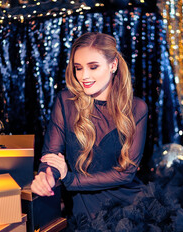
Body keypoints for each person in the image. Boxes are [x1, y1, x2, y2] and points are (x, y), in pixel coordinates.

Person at [31, 32, 148, 220]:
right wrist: (46, 176)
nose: (84, 76)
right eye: (78, 68)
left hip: (128, 207)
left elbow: (126, 174)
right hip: (83, 211)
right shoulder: (65, 101)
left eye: (93, 67)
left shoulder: (137, 108)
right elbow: (51, 155)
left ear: (113, 65)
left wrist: (71, 179)